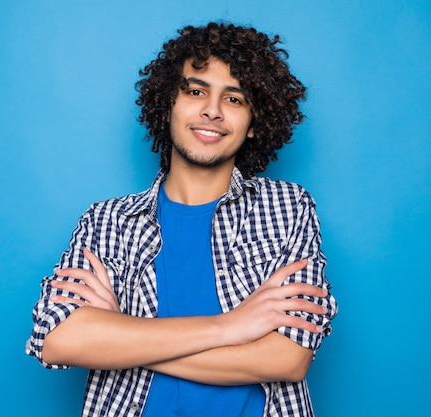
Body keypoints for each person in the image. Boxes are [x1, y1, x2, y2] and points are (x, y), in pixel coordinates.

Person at [26, 22, 338, 417]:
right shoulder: (106, 221)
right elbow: (57, 338)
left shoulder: (287, 208)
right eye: (195, 91)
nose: (212, 110)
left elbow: (288, 358)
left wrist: (120, 335)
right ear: (167, 104)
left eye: (235, 99)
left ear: (255, 123)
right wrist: (229, 326)